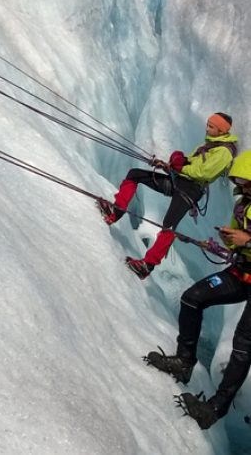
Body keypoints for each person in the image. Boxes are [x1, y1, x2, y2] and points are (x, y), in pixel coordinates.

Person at [144, 151, 251, 430]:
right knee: (192, 298)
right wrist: (228, 240)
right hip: (241, 273)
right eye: (240, 183)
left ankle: (214, 409)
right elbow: (238, 242)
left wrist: (247, 241)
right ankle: (184, 361)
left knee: (243, 344)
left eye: (246, 182)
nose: (243, 187)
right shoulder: (244, 206)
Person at [97, 113, 239, 279]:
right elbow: (191, 162)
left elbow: (204, 173)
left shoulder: (224, 152)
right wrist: (171, 165)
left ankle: (147, 266)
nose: (207, 128)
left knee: (169, 225)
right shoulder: (211, 144)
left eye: (211, 126)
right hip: (180, 181)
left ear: (221, 130)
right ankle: (115, 212)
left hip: (191, 189)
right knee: (134, 174)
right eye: (207, 124)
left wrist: (180, 168)